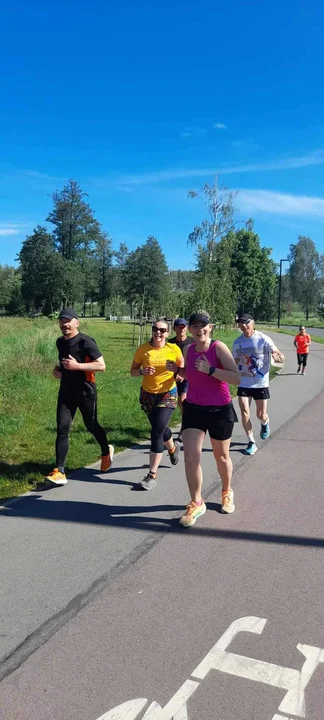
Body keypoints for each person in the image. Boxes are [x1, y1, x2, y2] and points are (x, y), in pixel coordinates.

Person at [178, 312, 240, 527]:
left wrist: (211, 370)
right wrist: (178, 370)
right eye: (194, 325)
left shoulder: (218, 348)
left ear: (210, 327)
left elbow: (236, 377)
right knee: (191, 457)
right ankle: (197, 502)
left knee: (221, 457)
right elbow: (192, 374)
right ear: (190, 329)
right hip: (194, 408)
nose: (199, 329)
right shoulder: (188, 349)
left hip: (219, 409)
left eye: (203, 325)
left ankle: (226, 491)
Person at [45, 308, 113, 486]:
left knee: (91, 425)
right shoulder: (60, 342)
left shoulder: (86, 342)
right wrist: (57, 370)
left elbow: (101, 366)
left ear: (77, 322)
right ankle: (59, 470)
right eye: (61, 320)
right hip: (66, 392)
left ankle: (106, 451)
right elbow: (63, 363)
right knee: (62, 428)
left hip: (86, 391)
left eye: (68, 320)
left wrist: (77, 367)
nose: (64, 324)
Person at [130, 319, 184, 490]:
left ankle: (151, 475)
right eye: (155, 329)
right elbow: (132, 371)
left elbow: (183, 369)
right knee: (161, 428)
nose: (158, 333)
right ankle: (173, 449)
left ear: (168, 333)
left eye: (162, 330)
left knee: (156, 431)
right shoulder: (143, 350)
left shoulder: (173, 349)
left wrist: (177, 372)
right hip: (147, 395)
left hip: (168, 393)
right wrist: (142, 371)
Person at [232, 312, 285, 456]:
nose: (243, 326)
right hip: (244, 382)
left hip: (261, 382)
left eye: (246, 322)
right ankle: (251, 441)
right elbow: (234, 362)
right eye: (240, 323)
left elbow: (277, 352)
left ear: (252, 322)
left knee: (260, 414)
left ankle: (264, 422)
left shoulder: (263, 339)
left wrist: (277, 355)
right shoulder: (237, 342)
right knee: (244, 412)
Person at [168, 318, 193, 441]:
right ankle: (162, 428)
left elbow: (192, 361)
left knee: (182, 399)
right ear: (174, 329)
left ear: (187, 328)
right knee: (170, 402)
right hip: (172, 376)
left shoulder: (192, 342)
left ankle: (185, 427)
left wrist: (182, 373)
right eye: (179, 327)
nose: (181, 329)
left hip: (187, 375)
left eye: (184, 327)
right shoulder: (170, 343)